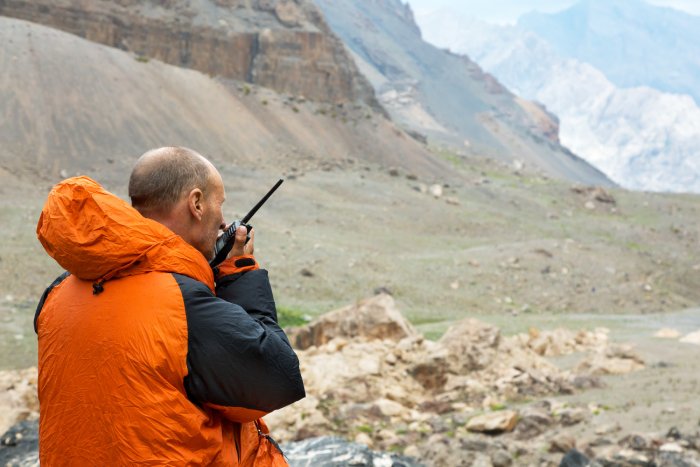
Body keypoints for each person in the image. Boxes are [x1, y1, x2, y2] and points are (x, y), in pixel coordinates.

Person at [35, 147, 305, 466]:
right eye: (219, 204)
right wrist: (239, 272)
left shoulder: (58, 291)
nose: (222, 222)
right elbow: (275, 381)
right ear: (196, 203)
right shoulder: (182, 302)